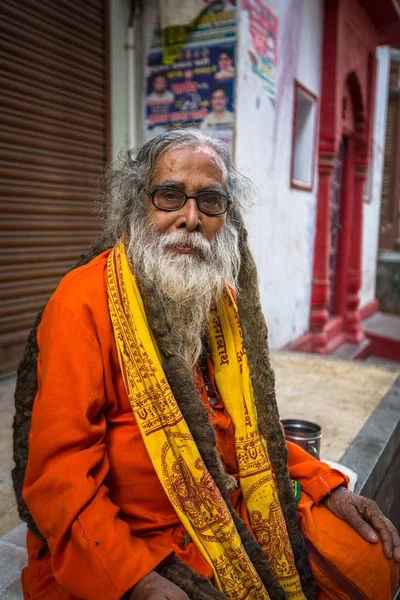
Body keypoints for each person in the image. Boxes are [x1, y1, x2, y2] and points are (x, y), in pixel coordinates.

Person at [13, 129, 399, 600]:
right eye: (170, 196)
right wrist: (138, 581)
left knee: (372, 561)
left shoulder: (220, 300)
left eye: (209, 201)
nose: (190, 218)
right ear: (139, 205)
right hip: (133, 539)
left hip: (227, 507)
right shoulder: (82, 301)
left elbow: (249, 429)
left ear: (226, 216)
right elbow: (59, 474)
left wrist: (329, 487)